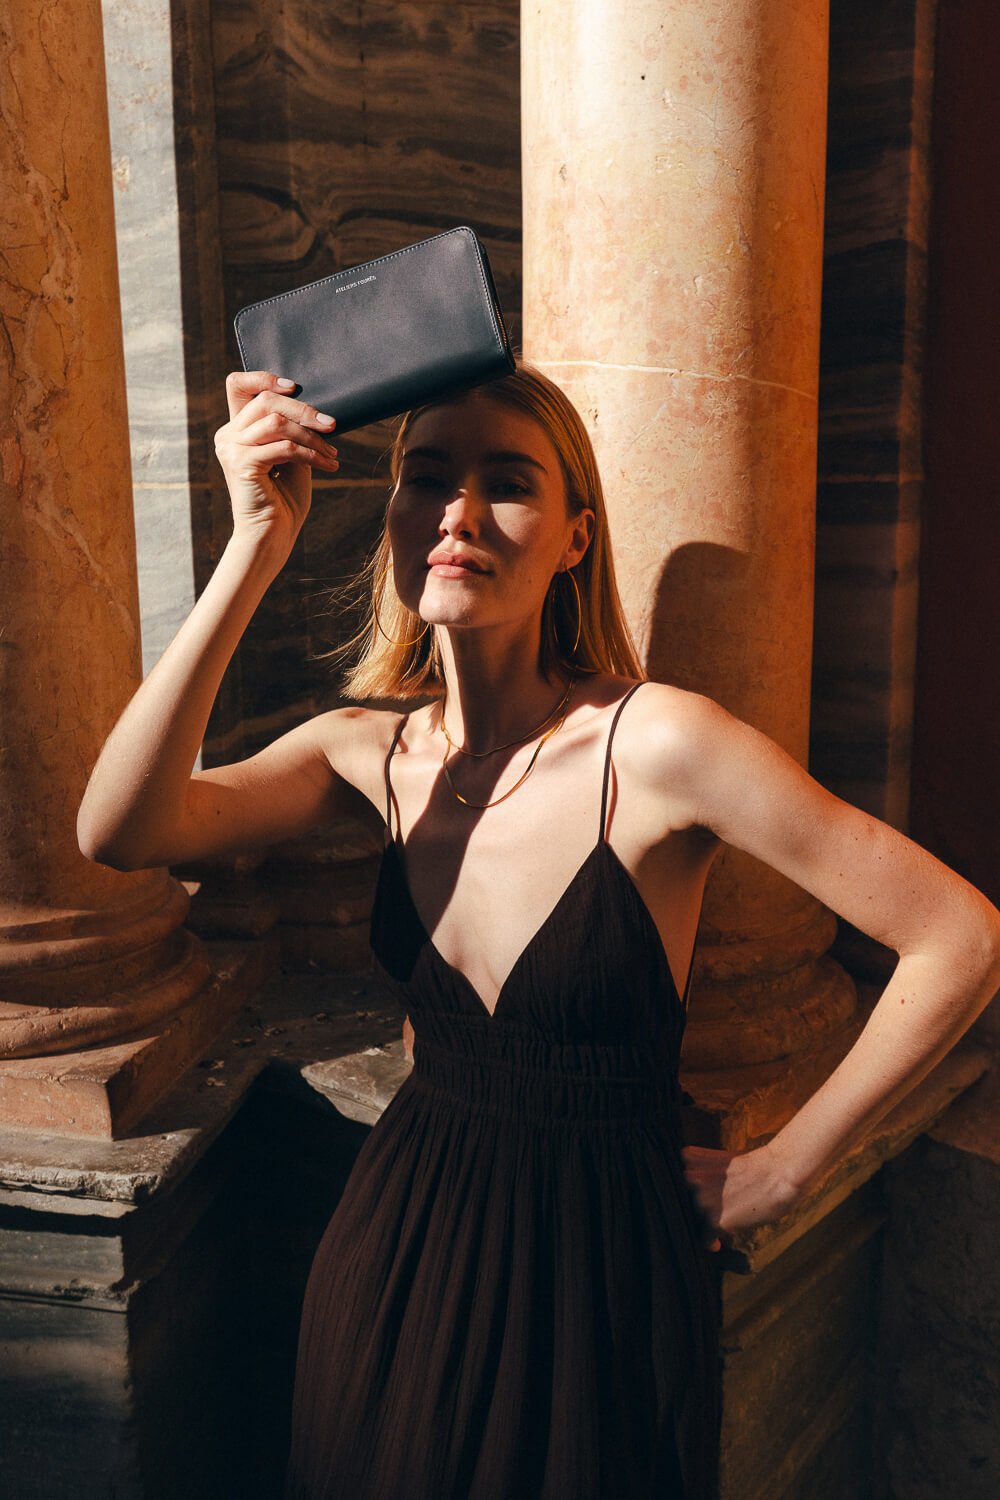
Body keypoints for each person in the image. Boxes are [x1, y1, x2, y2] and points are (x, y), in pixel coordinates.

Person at [77, 359, 1000, 1500]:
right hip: (397, 1246)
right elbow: (120, 827)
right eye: (425, 478)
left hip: (597, 1274)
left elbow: (956, 936)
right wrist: (251, 545)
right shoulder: (365, 751)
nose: (458, 511)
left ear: (573, 537)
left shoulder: (659, 746)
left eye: (506, 481)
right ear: (395, 521)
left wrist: (783, 1176)